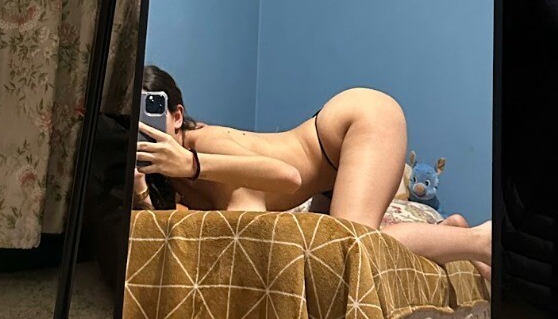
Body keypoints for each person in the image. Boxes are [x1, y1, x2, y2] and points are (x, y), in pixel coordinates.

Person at [134, 65, 491, 278]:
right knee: (332, 252)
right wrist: (142, 191)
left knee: (352, 244)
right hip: (322, 178)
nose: (144, 131)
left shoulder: (204, 144)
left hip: (353, 123)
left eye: (151, 116)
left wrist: (191, 164)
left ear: (177, 116)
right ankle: (450, 233)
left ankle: (481, 240)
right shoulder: (164, 176)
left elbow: (287, 177)